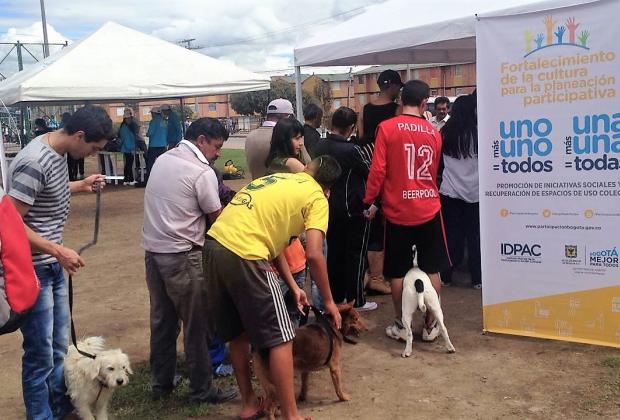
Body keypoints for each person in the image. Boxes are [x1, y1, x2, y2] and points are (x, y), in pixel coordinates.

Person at [204, 156, 342, 420]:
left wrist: (293, 285)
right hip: (246, 252)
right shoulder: (317, 197)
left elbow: (275, 240)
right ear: (328, 189)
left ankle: (248, 404)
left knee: (238, 334)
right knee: (282, 338)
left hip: (213, 247)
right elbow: (314, 254)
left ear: (306, 170)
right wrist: (329, 301)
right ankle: (292, 415)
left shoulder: (276, 180)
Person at [8, 105, 112, 420]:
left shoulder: (56, 153)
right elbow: (9, 221)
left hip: (51, 265)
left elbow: (42, 193)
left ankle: (57, 408)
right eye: (93, 148)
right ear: (79, 135)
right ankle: (40, 416)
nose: (92, 153)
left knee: (57, 349)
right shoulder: (34, 161)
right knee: (40, 355)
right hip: (34, 269)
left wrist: (79, 186)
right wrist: (56, 250)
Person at [142, 117, 237, 404]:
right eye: (217, 147)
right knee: (197, 325)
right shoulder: (202, 172)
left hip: (154, 252)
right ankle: (201, 389)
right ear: (202, 141)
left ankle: (162, 383)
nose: (218, 153)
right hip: (183, 255)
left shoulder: (163, 158)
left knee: (162, 322)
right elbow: (216, 218)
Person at [364, 80, 451, 344]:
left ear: (401, 100)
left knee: (398, 272)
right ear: (425, 103)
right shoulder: (434, 133)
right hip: (429, 207)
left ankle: (403, 325)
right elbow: (434, 171)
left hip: (397, 209)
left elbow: (378, 169)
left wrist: (369, 199)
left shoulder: (387, 128)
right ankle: (431, 324)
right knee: (432, 268)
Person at [313, 107, 377, 312]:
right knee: (356, 256)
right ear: (351, 127)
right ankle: (357, 300)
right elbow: (370, 172)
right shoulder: (351, 150)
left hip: (327, 209)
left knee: (334, 255)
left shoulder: (318, 145)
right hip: (354, 209)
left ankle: (336, 297)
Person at [356, 69, 404, 296]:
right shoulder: (396, 110)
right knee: (385, 222)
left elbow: (362, 136)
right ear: (392, 86)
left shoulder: (365, 108)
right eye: (398, 87)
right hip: (388, 168)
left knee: (371, 220)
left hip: (368, 166)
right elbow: (397, 139)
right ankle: (378, 275)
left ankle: (368, 273)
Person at [264, 118, 309, 323]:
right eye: (297, 138)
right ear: (285, 139)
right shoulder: (291, 163)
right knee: (292, 305)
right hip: (291, 238)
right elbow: (315, 186)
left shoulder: (272, 162)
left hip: (276, 235)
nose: (300, 143)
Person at [439, 93, 481, 289]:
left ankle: (446, 276)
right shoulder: (479, 133)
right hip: (476, 192)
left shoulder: (445, 132)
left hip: (450, 191)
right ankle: (477, 278)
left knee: (451, 235)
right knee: (475, 237)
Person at [245, 98, 310, 180]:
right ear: (289, 116)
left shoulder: (250, 136)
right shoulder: (288, 136)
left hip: (258, 187)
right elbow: (308, 163)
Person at [142, 106, 167, 186]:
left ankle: (150, 180)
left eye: (152, 113)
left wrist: (147, 134)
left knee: (150, 163)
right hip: (163, 145)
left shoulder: (153, 121)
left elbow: (150, 133)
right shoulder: (164, 121)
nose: (151, 115)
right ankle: (164, 179)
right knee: (163, 163)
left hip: (154, 145)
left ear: (154, 113)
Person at [119, 108, 140, 186]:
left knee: (128, 164)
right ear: (127, 119)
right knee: (129, 164)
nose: (131, 119)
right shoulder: (126, 127)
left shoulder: (124, 126)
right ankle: (128, 179)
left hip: (126, 148)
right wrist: (131, 149)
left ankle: (128, 179)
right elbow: (127, 140)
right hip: (128, 149)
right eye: (130, 118)